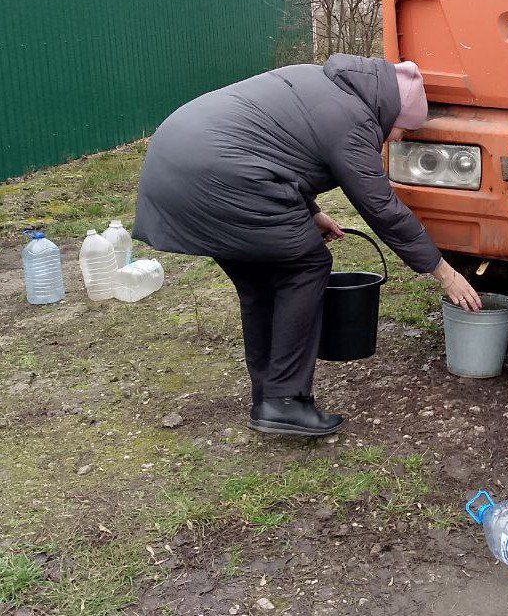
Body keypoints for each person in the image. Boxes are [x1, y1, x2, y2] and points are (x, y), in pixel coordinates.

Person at [134, 54, 482, 437]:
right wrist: (443, 272)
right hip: (218, 177)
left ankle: (268, 397)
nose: (396, 138)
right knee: (306, 265)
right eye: (401, 129)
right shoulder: (353, 119)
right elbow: (381, 208)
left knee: (260, 284)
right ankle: (285, 400)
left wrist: (310, 211)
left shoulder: (317, 81)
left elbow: (276, 146)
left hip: (176, 165)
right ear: (391, 112)